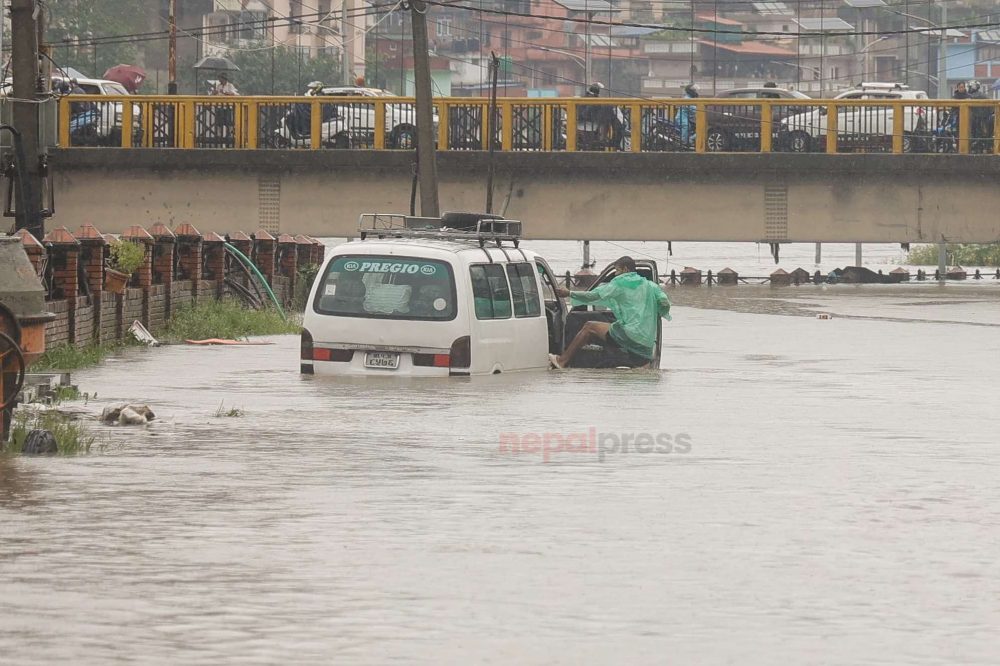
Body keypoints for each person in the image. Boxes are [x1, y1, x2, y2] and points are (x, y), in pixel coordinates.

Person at [549, 256, 672, 369]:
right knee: (642, 377)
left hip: (629, 334)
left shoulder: (621, 282)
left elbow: (595, 295)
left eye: (617, 270)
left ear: (625, 269)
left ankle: (562, 361)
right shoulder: (651, 286)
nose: (616, 274)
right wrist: (658, 312)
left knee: (589, 327)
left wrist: (569, 293)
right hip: (646, 342)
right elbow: (664, 302)